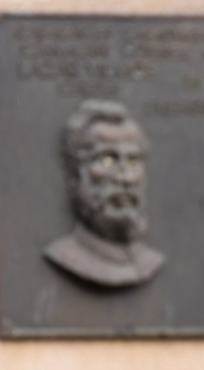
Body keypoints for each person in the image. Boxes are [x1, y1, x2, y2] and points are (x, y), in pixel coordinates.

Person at [44, 99, 165, 288]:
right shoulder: (64, 256)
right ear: (73, 174)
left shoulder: (152, 261)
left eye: (133, 161)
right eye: (107, 160)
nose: (126, 178)